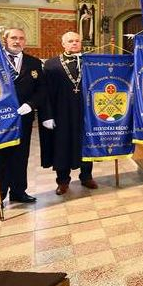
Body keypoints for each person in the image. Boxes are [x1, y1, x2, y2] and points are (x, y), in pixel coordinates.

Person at [0, 28, 45, 212]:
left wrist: (30, 104)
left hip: (23, 118)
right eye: (13, 38)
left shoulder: (34, 63)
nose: (17, 41)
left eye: (21, 38)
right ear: (5, 39)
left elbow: (42, 89)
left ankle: (18, 191)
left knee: (20, 156)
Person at [42, 32, 96, 194]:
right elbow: (46, 93)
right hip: (61, 112)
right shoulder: (51, 64)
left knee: (85, 144)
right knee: (62, 145)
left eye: (77, 41)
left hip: (85, 111)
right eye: (70, 41)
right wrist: (48, 115)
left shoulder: (91, 63)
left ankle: (86, 176)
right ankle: (63, 181)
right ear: (63, 44)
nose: (74, 43)